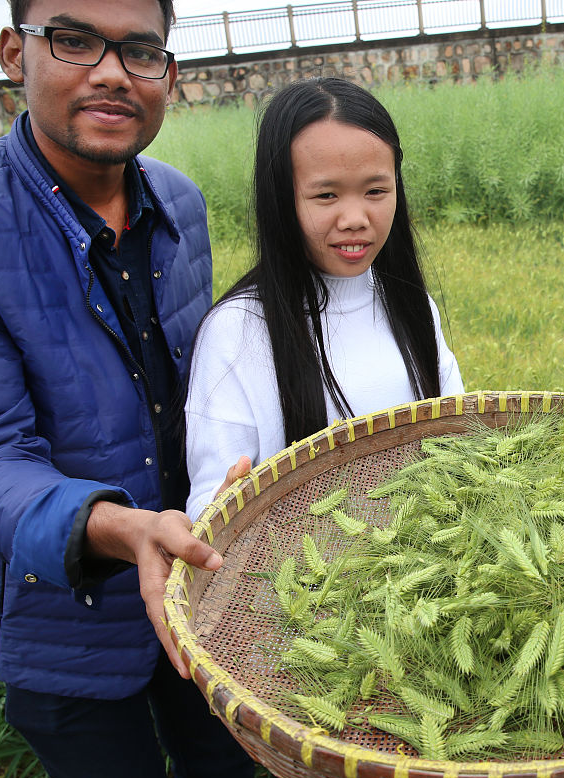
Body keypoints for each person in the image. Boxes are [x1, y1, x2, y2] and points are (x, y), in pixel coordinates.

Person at [0, 0, 255, 778]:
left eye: (140, 50)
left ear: (168, 74)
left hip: (195, 575)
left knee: (225, 774)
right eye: (75, 40)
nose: (113, 72)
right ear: (16, 52)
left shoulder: (179, 202)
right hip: (56, 614)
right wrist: (121, 528)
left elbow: (202, 381)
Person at [185, 78, 464, 517]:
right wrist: (218, 509)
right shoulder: (237, 332)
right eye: (326, 195)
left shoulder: (410, 304)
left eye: (376, 191)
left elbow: (458, 437)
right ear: (282, 199)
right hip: (306, 579)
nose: (355, 218)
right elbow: (210, 506)